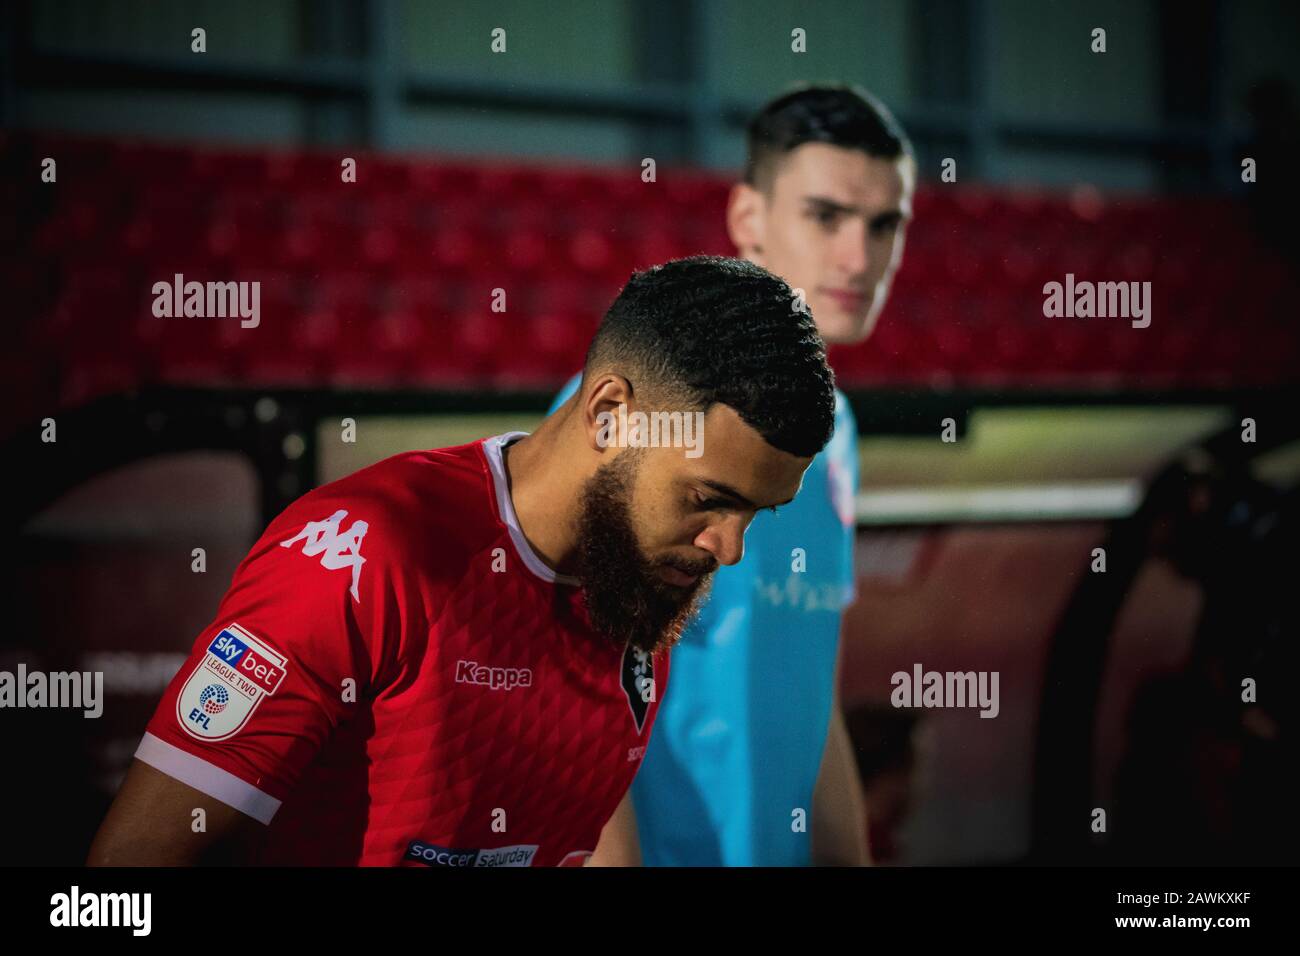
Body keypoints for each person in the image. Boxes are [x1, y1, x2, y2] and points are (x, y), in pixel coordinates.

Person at [86, 255, 836, 866]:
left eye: (754, 516)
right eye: (710, 498)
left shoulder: (637, 596)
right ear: (610, 414)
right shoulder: (360, 554)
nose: (729, 550)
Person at [557, 84, 915, 866]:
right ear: (749, 220)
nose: (860, 257)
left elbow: (812, 697)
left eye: (883, 224)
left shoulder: (838, 433)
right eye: (826, 217)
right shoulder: (646, 403)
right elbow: (565, 698)